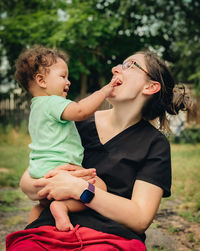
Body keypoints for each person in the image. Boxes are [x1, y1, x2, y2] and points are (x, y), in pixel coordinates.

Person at [7, 50, 192, 251]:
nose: (115, 69)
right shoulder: (75, 122)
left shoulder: (155, 144)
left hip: (109, 237)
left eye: (130, 65)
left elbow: (140, 218)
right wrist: (45, 183)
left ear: (150, 86)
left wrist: (80, 189)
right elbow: (28, 180)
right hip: (53, 228)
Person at [14, 46, 116, 231]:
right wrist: (104, 92)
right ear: (41, 80)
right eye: (63, 76)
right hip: (59, 169)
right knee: (99, 188)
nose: (68, 82)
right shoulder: (52, 102)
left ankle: (32, 227)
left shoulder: (36, 106)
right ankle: (62, 206)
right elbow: (80, 111)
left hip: (40, 170)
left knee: (41, 205)